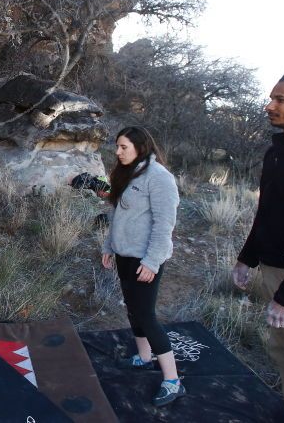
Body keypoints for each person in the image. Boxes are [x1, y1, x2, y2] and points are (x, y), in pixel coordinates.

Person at [232, 68, 284, 422]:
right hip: (274, 270)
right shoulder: (277, 152)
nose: (270, 105)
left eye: (281, 99)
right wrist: (246, 258)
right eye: (271, 97)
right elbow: (268, 211)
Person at [100, 126, 183, 407]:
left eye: (123, 147)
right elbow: (118, 215)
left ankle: (173, 381)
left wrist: (151, 261)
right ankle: (144, 357)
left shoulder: (159, 177)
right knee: (133, 311)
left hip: (145, 258)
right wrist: (108, 246)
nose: (118, 152)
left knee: (146, 315)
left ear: (140, 147)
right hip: (125, 255)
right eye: (117, 146)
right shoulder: (127, 173)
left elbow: (164, 225)